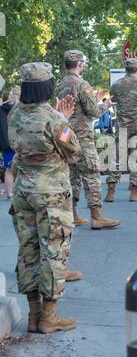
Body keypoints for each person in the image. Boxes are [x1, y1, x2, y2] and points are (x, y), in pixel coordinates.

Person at [8, 62, 82, 333]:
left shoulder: (14, 114)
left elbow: (16, 147)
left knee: (28, 251)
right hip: (51, 195)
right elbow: (74, 153)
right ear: (47, 86)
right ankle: (49, 317)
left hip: (23, 193)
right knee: (53, 251)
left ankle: (33, 315)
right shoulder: (52, 117)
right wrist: (65, 119)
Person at [56, 50, 120, 229]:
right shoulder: (82, 84)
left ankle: (72, 214)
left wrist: (94, 99)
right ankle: (97, 216)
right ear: (80, 64)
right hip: (82, 137)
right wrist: (105, 105)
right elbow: (92, 112)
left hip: (66, 136)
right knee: (91, 173)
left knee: (72, 176)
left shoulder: (60, 85)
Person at [105, 58, 137, 202]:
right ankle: (134, 192)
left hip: (122, 125)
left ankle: (110, 192)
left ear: (125, 68)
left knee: (116, 157)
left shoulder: (116, 85)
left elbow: (114, 99)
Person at [0, 86, 20, 199]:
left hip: (5, 142)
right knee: (22, 167)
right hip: (18, 141)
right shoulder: (20, 108)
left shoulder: (1, 108)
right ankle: (20, 192)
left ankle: (10, 193)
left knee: (8, 168)